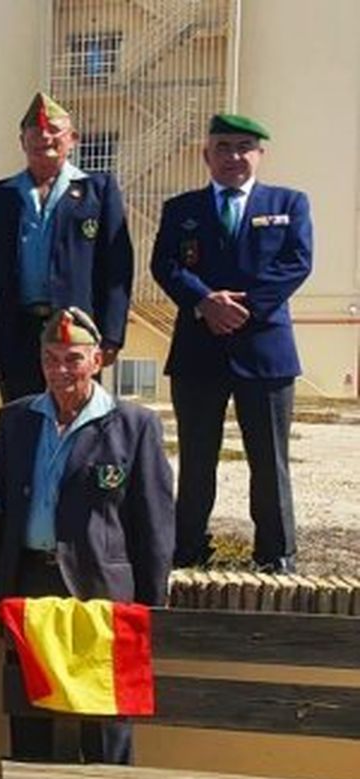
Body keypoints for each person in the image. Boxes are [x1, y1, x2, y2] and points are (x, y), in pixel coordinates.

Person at [0, 307, 175, 779]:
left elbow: (154, 524)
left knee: (104, 720)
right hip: (31, 582)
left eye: (73, 358)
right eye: (50, 358)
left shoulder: (133, 425)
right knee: (30, 713)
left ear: (98, 359)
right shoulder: (17, 419)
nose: (60, 368)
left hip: (101, 592)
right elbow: (2, 507)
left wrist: (151, 609)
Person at [152, 113, 310, 574]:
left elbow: (296, 262)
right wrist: (205, 301)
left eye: (244, 147)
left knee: (269, 459)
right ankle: (189, 548)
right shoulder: (181, 208)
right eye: (223, 147)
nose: (233, 156)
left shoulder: (289, 202)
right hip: (199, 350)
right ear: (207, 155)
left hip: (265, 351)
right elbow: (165, 265)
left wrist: (240, 309)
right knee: (197, 456)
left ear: (260, 154)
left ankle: (276, 553)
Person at [0, 92, 134, 402]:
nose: (44, 136)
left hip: (77, 332)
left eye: (54, 130)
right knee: (22, 421)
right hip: (15, 333)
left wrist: (111, 335)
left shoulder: (98, 192)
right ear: (22, 140)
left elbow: (117, 268)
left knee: (78, 421)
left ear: (73, 139)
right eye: (35, 131)